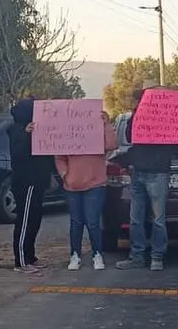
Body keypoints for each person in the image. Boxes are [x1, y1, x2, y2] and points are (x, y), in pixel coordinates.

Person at [115, 88, 174, 271]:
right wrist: (136, 113)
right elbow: (129, 136)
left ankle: (157, 256)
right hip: (138, 172)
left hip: (158, 173)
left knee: (157, 219)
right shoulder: (137, 115)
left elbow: (177, 139)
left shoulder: (168, 118)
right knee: (135, 219)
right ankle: (137, 256)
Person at [57, 110, 118, 271]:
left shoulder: (98, 134)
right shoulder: (67, 135)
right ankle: (75, 255)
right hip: (72, 185)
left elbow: (112, 145)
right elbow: (59, 157)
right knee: (76, 223)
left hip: (95, 185)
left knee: (93, 222)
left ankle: (97, 254)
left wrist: (106, 124)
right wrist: (64, 175)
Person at [10, 98, 56, 274]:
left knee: (35, 220)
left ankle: (30, 257)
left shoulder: (36, 128)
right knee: (25, 220)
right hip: (26, 182)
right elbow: (18, 154)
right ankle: (21, 261)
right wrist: (25, 134)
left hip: (38, 181)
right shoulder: (16, 130)